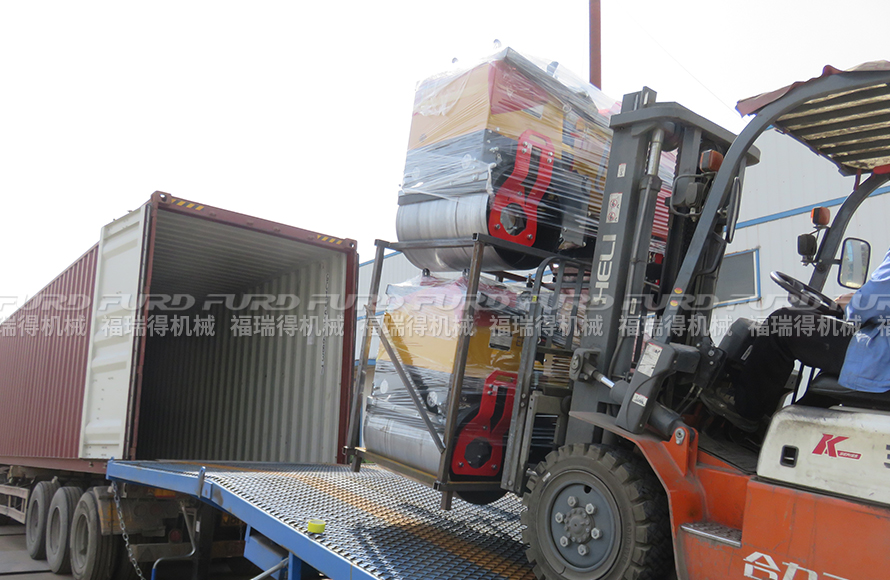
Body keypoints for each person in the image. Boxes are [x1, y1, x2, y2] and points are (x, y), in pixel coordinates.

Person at [705, 245, 890, 427]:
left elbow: (870, 303)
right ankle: (782, 430)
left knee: (782, 323)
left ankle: (746, 409)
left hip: (881, 358)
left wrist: (851, 303)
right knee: (821, 389)